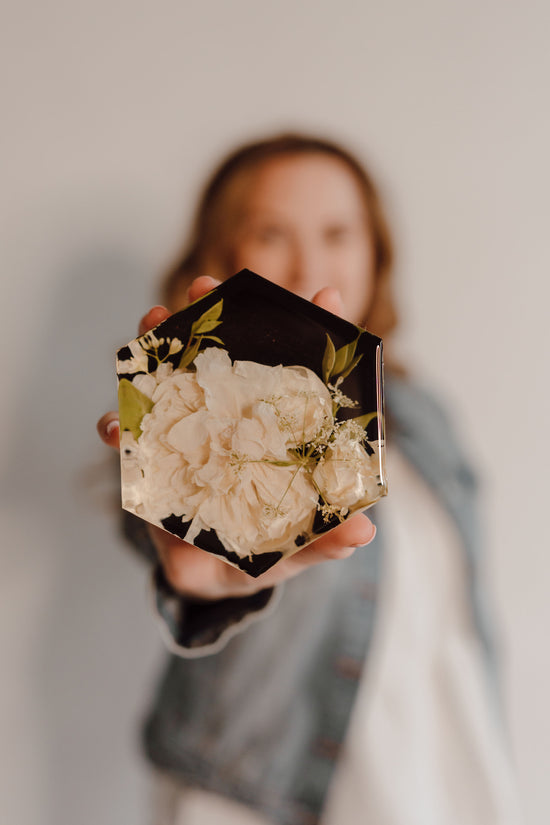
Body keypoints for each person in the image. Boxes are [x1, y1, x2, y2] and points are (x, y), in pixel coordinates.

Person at [97, 133, 521, 825]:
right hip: (254, 796)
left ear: (375, 253)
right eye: (271, 233)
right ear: (220, 254)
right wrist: (208, 581)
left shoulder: (424, 416)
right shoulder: (195, 402)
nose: (309, 263)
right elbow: (161, 540)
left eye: (337, 232)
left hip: (439, 779)